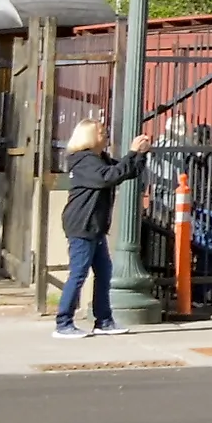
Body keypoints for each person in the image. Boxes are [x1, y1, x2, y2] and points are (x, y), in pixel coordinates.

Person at [54, 122, 149, 338]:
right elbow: (108, 178)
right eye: (100, 131)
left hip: (95, 226)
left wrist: (140, 155)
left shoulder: (101, 160)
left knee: (104, 273)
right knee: (78, 273)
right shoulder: (83, 161)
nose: (105, 134)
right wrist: (132, 151)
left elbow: (125, 171)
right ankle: (63, 322)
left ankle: (104, 320)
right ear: (88, 136)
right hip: (82, 224)